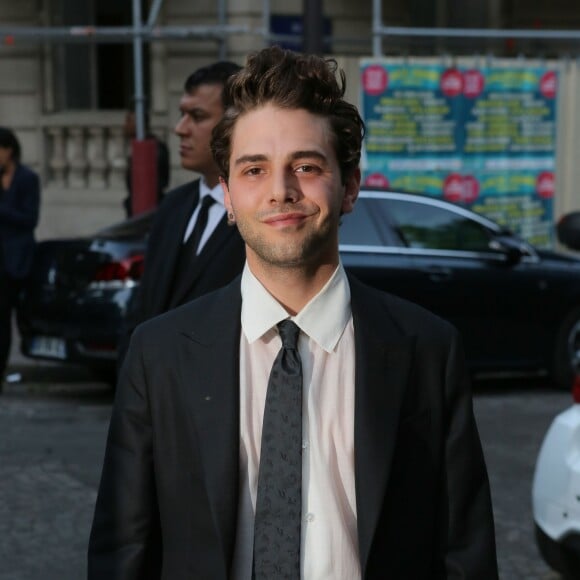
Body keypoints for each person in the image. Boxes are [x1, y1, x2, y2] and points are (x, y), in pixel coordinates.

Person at [89, 47, 498, 579]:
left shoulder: (426, 349)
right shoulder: (160, 353)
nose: (281, 191)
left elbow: (463, 551)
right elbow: (123, 551)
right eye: (254, 169)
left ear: (349, 187)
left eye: (306, 166)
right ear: (228, 195)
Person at [118, 61, 246, 366]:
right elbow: (145, 307)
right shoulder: (173, 206)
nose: (180, 129)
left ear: (236, 125)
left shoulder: (260, 215)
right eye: (182, 114)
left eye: (197, 116)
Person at [0, 127, 40, 389]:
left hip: (18, 261)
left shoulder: (27, 179)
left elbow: (30, 219)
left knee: (15, 318)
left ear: (9, 151)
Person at [122, 108, 170, 218]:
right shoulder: (137, 147)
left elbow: (160, 183)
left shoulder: (154, 149)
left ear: (138, 123)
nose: (125, 125)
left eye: (129, 121)